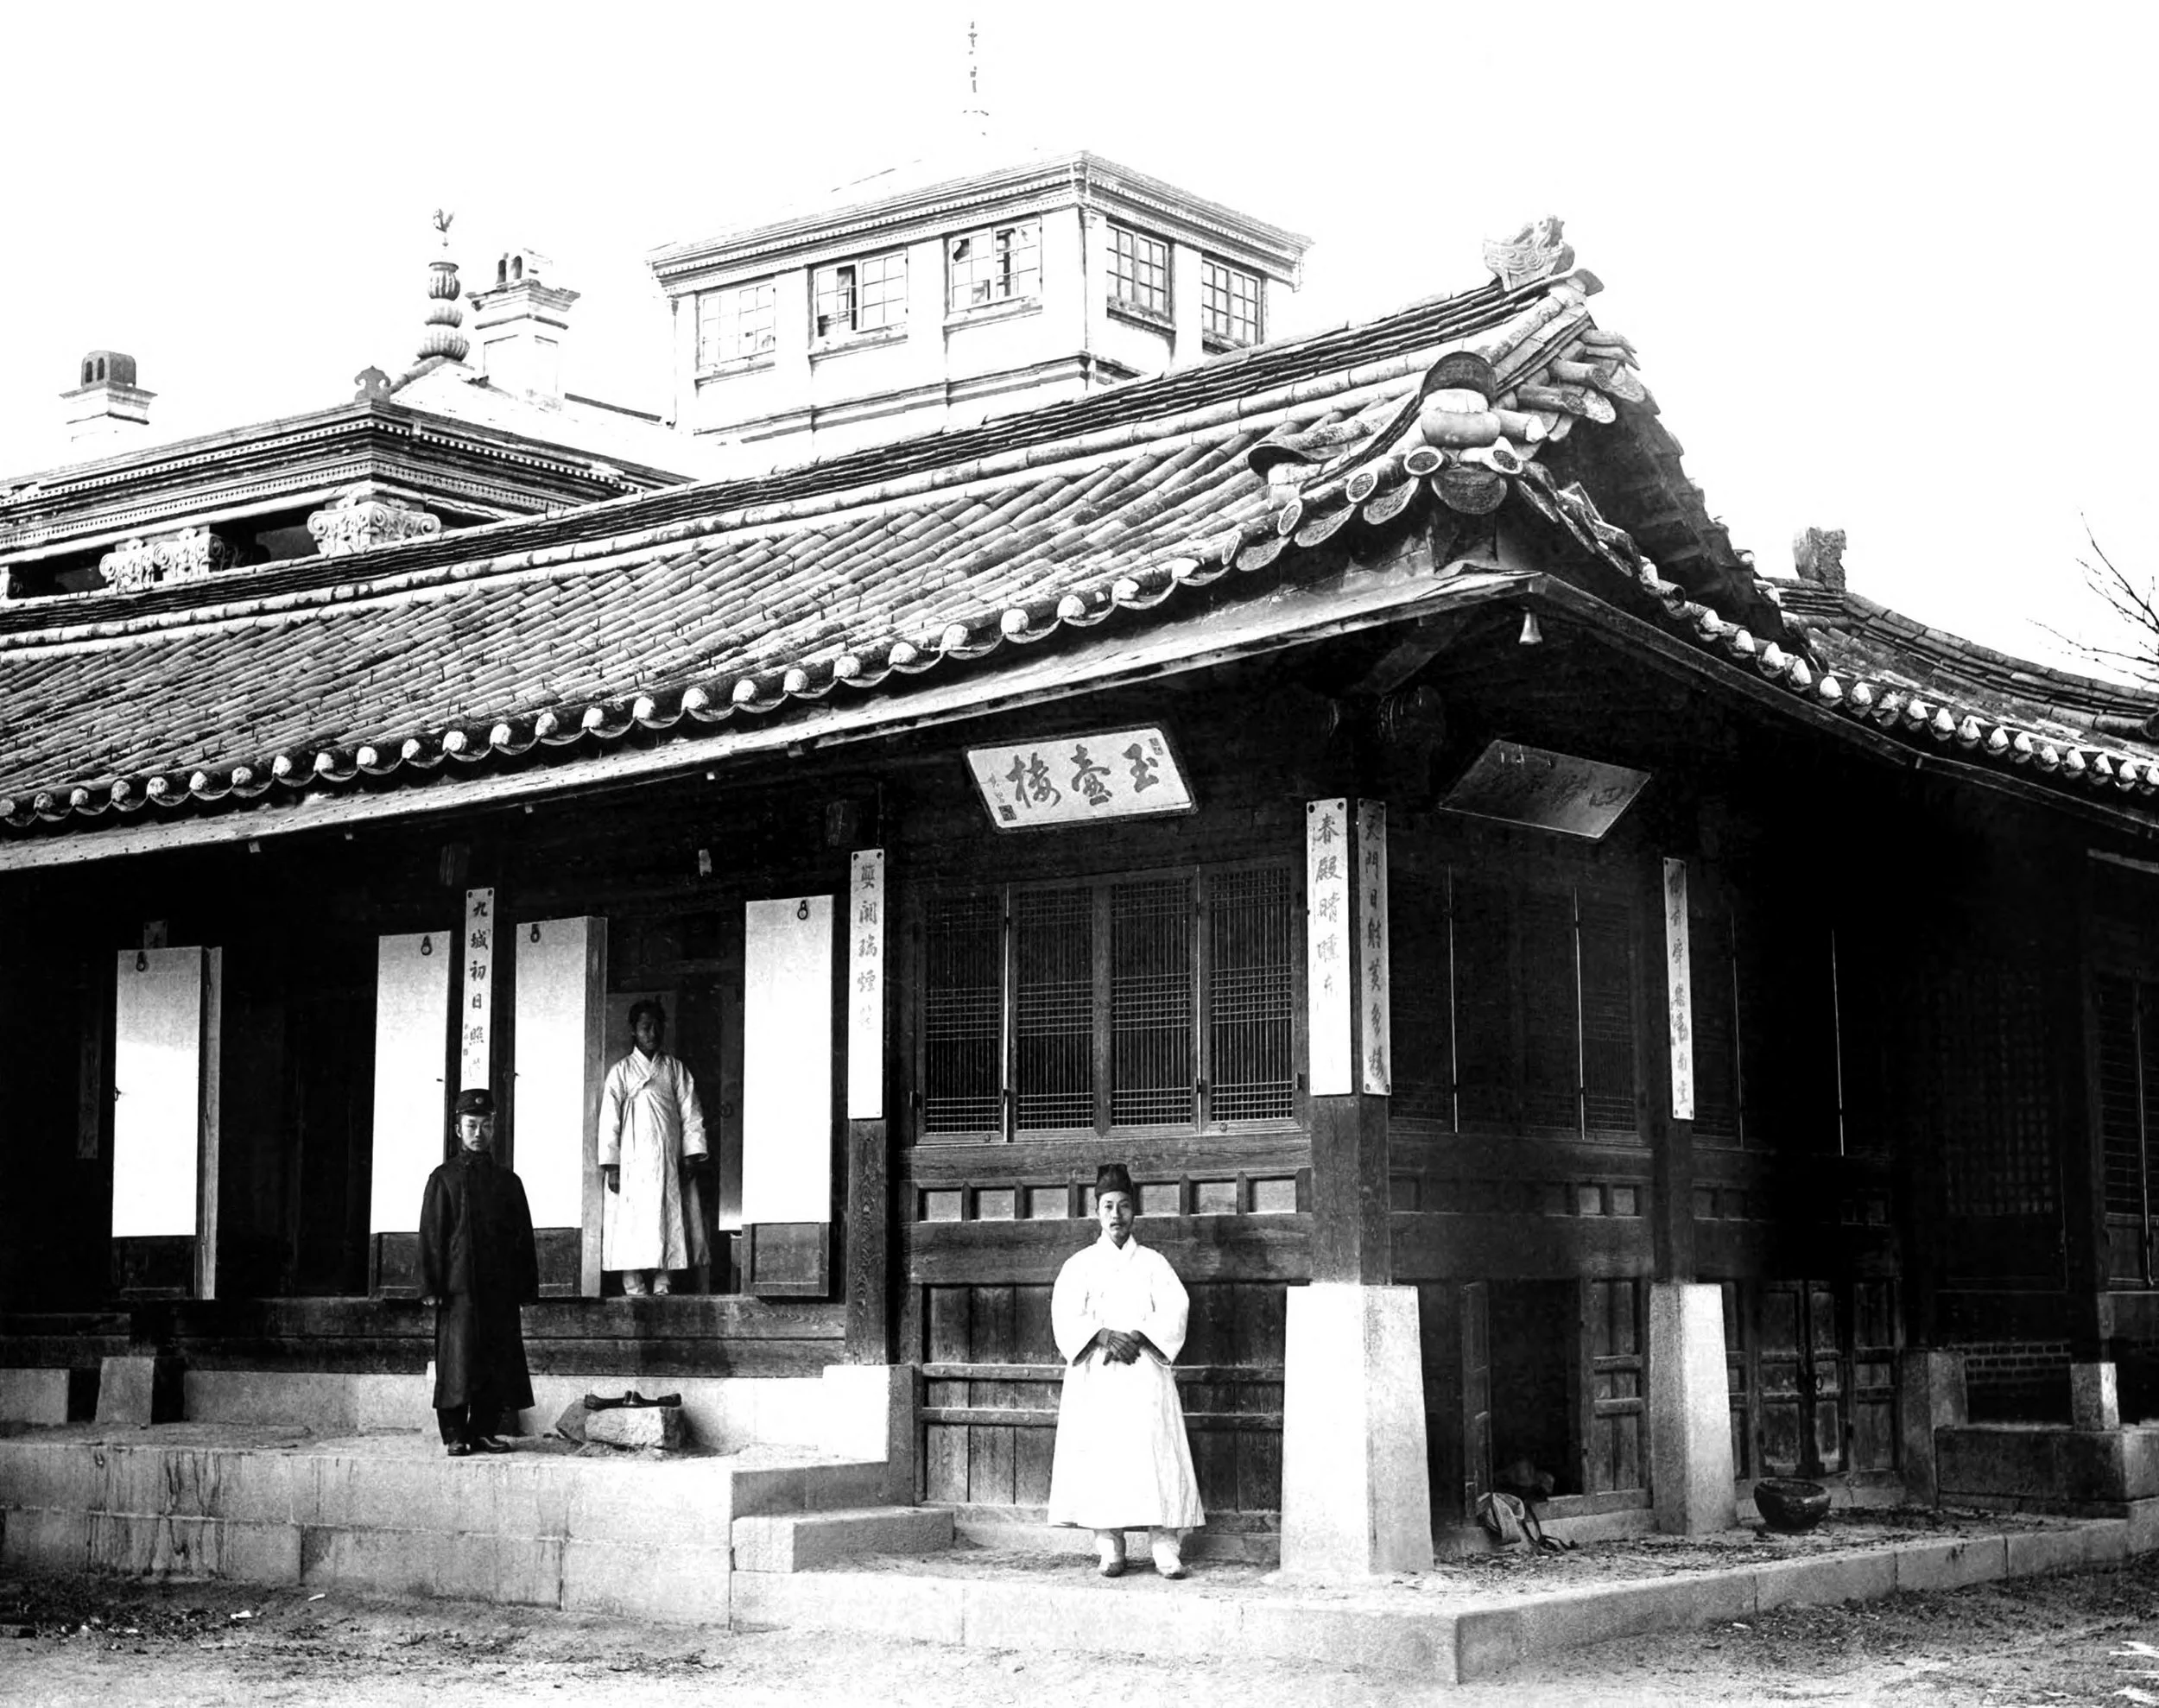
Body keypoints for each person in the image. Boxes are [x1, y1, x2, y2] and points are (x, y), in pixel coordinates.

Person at [1047, 1162, 1205, 1579]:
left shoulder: (1153, 1263)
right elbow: (1066, 1317)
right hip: (1097, 1376)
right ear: (1096, 1213)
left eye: (1123, 1207)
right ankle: (1109, 1546)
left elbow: (1175, 1310)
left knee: (1156, 1455)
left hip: (1144, 1372)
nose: (1116, 1215)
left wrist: (1138, 1334)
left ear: (1135, 1212)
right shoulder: (1078, 1265)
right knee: (1102, 1457)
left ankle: (1165, 1547)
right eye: (1108, 1207)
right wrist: (1101, 1335)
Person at [418, 1088, 538, 1458]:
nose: (478, 1133)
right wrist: (431, 1285)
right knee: (457, 1359)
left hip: (497, 1289)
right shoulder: (444, 1179)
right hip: (458, 1291)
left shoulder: (508, 1182)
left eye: (485, 1125)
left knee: (496, 1358)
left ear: (494, 1128)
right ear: (458, 1129)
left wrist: (524, 1287)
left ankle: (484, 1430)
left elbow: (523, 1239)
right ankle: (455, 1433)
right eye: (471, 1125)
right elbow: (432, 1235)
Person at [597, 998, 711, 1296]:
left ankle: (664, 1280)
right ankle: (632, 1282)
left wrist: (690, 1156)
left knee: (667, 1213)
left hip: (666, 1157)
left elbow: (691, 1113)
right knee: (631, 1218)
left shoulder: (674, 1069)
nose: (652, 1032)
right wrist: (612, 1166)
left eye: (657, 1026)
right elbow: (610, 1120)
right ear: (634, 1031)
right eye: (646, 1026)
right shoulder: (620, 1072)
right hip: (632, 1158)